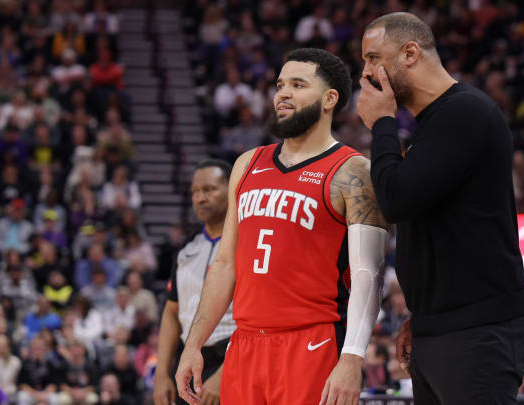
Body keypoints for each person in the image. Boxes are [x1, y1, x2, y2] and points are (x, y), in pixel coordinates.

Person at [175, 48, 388, 405]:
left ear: (329, 99)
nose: (282, 93)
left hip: (312, 344)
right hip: (244, 345)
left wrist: (352, 358)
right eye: (279, 85)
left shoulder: (353, 171)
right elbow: (225, 264)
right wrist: (193, 344)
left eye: (298, 84)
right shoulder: (247, 164)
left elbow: (370, 274)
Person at [356, 12, 524, 404]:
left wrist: (382, 125)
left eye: (373, 58)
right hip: (444, 326)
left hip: (480, 327)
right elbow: (435, 224)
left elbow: (396, 201)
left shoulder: (465, 113)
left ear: (410, 53)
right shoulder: (436, 122)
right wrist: (423, 316)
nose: (366, 73)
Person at [154, 160, 236, 405]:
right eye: (195, 192)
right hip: (189, 360)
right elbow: (171, 312)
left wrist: (225, 374)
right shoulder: (186, 248)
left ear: (231, 189)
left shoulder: (248, 245)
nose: (200, 198)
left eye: (209, 189)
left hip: (231, 357)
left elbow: (259, 316)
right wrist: (161, 375)